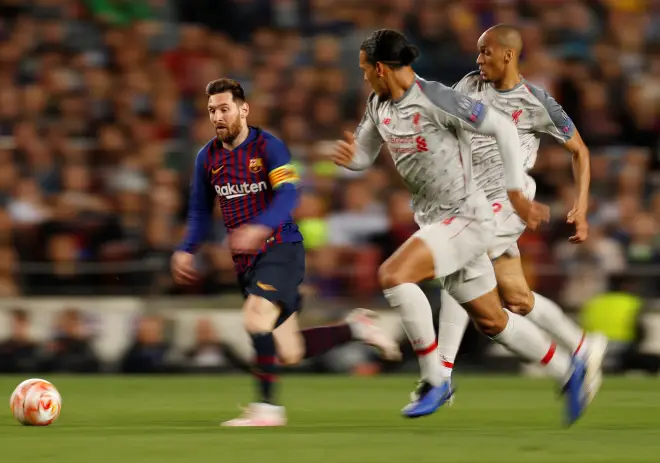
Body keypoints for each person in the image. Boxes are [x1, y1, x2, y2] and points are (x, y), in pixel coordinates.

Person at [330, 29, 589, 425]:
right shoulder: (377, 104)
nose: (364, 76)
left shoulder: (435, 98)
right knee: (493, 321)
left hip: (467, 215)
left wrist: (517, 194)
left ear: (381, 68)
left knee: (394, 275)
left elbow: (502, 128)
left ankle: (436, 378)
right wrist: (352, 160)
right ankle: (568, 371)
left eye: (366, 70)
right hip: (434, 218)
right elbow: (365, 155)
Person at [171, 78, 400, 427]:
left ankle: (267, 410)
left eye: (225, 108)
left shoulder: (268, 146)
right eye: (212, 110)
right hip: (247, 262)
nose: (218, 116)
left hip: (281, 248)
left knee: (254, 318)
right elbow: (200, 212)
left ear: (243, 109)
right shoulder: (207, 158)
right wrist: (186, 250)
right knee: (287, 351)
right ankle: (355, 329)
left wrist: (261, 227)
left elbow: (289, 195)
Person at [438, 24, 607, 401]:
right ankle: (582, 347)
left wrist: (580, 208)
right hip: (471, 200)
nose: (478, 59)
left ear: (508, 55)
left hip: (510, 200)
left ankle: (441, 373)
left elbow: (580, 151)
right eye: (478, 52)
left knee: (459, 257)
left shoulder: (536, 102)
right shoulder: (468, 85)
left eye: (485, 52)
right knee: (516, 297)